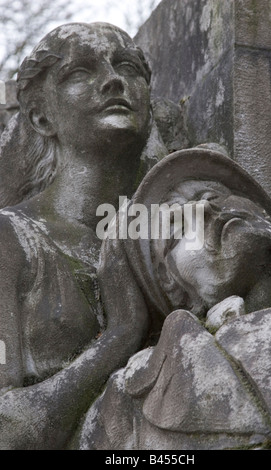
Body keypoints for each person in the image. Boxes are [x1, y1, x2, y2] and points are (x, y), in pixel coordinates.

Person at [76, 148, 271, 450]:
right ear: (181, 296)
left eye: (210, 195)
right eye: (178, 231)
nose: (205, 211)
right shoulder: (170, 383)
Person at [0, 22, 158, 450]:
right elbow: (7, 431)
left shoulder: (175, 233)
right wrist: (120, 336)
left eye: (128, 67)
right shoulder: (10, 239)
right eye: (79, 73)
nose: (113, 80)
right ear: (40, 117)